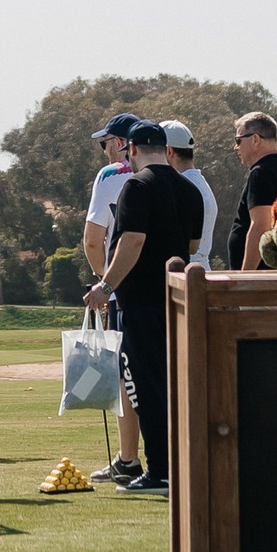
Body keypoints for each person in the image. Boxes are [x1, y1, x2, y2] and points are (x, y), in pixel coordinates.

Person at [83, 120, 202, 493]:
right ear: (166, 149)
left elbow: (131, 241)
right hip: (176, 299)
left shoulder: (136, 185)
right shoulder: (189, 187)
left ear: (131, 149)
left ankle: (159, 471)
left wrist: (105, 285)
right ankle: (179, 464)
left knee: (144, 387)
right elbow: (194, 244)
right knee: (172, 385)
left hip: (141, 302)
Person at [81, 113, 145, 482]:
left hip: (122, 289)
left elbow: (92, 240)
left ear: (122, 143)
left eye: (106, 143)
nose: (104, 151)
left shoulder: (110, 177)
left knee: (128, 376)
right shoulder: (173, 172)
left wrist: (104, 282)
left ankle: (129, 458)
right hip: (169, 285)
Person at [228, 112, 277, 270]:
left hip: (262, 280)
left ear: (255, 139)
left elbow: (261, 226)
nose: (235, 147)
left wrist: (245, 277)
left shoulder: (261, 172)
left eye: (238, 140)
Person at [164, 120, 220, 267]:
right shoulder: (202, 183)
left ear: (169, 151)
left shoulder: (180, 187)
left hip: (185, 273)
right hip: (202, 270)